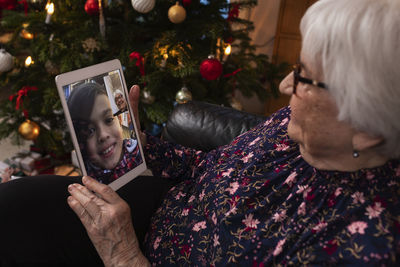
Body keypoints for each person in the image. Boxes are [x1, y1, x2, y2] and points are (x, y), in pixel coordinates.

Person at [0, 0, 399, 265]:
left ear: (365, 129)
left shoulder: (360, 244)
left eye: (304, 79)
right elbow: (206, 164)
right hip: (156, 208)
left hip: (133, 253)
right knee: (13, 203)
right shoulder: (295, 127)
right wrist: (137, 142)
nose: (283, 86)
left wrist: (123, 254)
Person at [67, 83, 142, 184]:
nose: (103, 135)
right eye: (90, 131)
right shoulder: (91, 179)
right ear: (81, 143)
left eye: (108, 120)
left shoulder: (137, 149)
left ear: (119, 121)